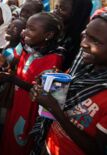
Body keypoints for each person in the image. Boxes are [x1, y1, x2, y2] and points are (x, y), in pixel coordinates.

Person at [31, 13, 107, 155]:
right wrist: (51, 82)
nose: (84, 43)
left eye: (96, 41)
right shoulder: (82, 67)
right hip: (49, 143)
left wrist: (55, 110)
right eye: (85, 35)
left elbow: (97, 149)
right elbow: (67, 92)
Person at [0, 12, 63, 155]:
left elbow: (40, 90)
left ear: (48, 35)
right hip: (16, 102)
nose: (25, 32)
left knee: (20, 139)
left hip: (29, 108)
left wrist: (13, 79)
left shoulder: (54, 59)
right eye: (26, 27)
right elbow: (11, 62)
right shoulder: (28, 47)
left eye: (31, 29)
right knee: (9, 133)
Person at [53, 0, 92, 71]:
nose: (55, 12)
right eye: (56, 7)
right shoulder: (56, 30)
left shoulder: (83, 42)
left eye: (62, 9)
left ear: (78, 13)